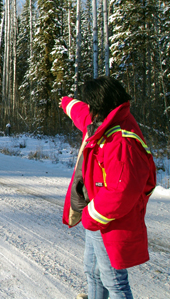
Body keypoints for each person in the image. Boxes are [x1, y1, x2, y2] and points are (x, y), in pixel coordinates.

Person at [59, 77, 157, 299]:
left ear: (99, 105)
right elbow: (81, 113)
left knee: (114, 282)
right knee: (92, 273)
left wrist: (91, 216)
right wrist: (66, 103)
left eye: (91, 104)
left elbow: (121, 192)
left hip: (109, 221)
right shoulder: (104, 122)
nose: (89, 109)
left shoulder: (121, 141)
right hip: (98, 220)